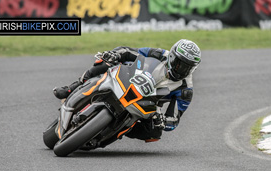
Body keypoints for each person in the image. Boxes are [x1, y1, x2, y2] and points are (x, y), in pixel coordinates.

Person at [53, 39, 201, 147]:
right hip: (131, 79)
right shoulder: (159, 54)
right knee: (105, 62)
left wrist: (162, 121)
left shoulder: (185, 89)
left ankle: (118, 130)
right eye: (179, 63)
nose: (181, 69)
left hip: (148, 103)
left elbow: (174, 118)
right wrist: (114, 54)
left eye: (187, 67)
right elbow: (128, 51)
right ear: (172, 56)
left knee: (155, 134)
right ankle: (73, 87)